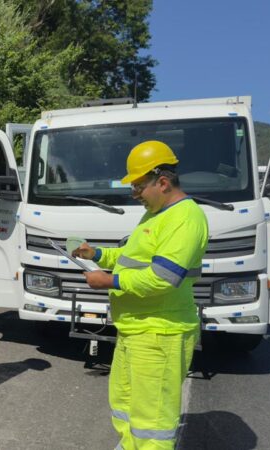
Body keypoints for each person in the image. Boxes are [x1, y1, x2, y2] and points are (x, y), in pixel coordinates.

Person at [72, 141, 208, 450]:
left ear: (162, 182)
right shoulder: (157, 214)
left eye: (138, 188)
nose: (135, 195)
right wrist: (98, 254)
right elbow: (133, 255)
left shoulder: (185, 218)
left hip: (160, 332)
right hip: (137, 329)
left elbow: (163, 278)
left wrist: (109, 281)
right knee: (125, 402)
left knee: (153, 423)